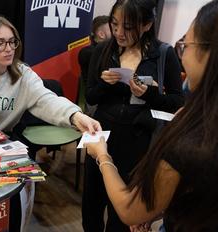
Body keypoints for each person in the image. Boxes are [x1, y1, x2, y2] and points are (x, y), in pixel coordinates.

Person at [86, 0, 218, 231]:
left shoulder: (191, 138)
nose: (120, 32)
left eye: (185, 45)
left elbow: (130, 210)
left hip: (133, 143)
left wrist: (102, 155)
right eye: (114, 24)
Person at [83, 0, 184, 231]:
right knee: (92, 206)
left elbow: (177, 102)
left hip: (138, 141)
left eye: (128, 27)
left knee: (123, 213)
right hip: (100, 134)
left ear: (147, 24)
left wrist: (149, 93)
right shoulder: (102, 50)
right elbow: (90, 97)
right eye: (114, 24)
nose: (119, 33)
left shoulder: (163, 54)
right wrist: (105, 83)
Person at [0, 15, 101, 137]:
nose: (9, 49)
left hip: (0, 142)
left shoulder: (24, 74)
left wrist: (75, 116)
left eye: (11, 41)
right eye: (0, 43)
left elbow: (47, 100)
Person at [78, 15, 112, 116]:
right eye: (112, 29)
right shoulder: (88, 52)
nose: (117, 32)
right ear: (101, 34)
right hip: (95, 101)